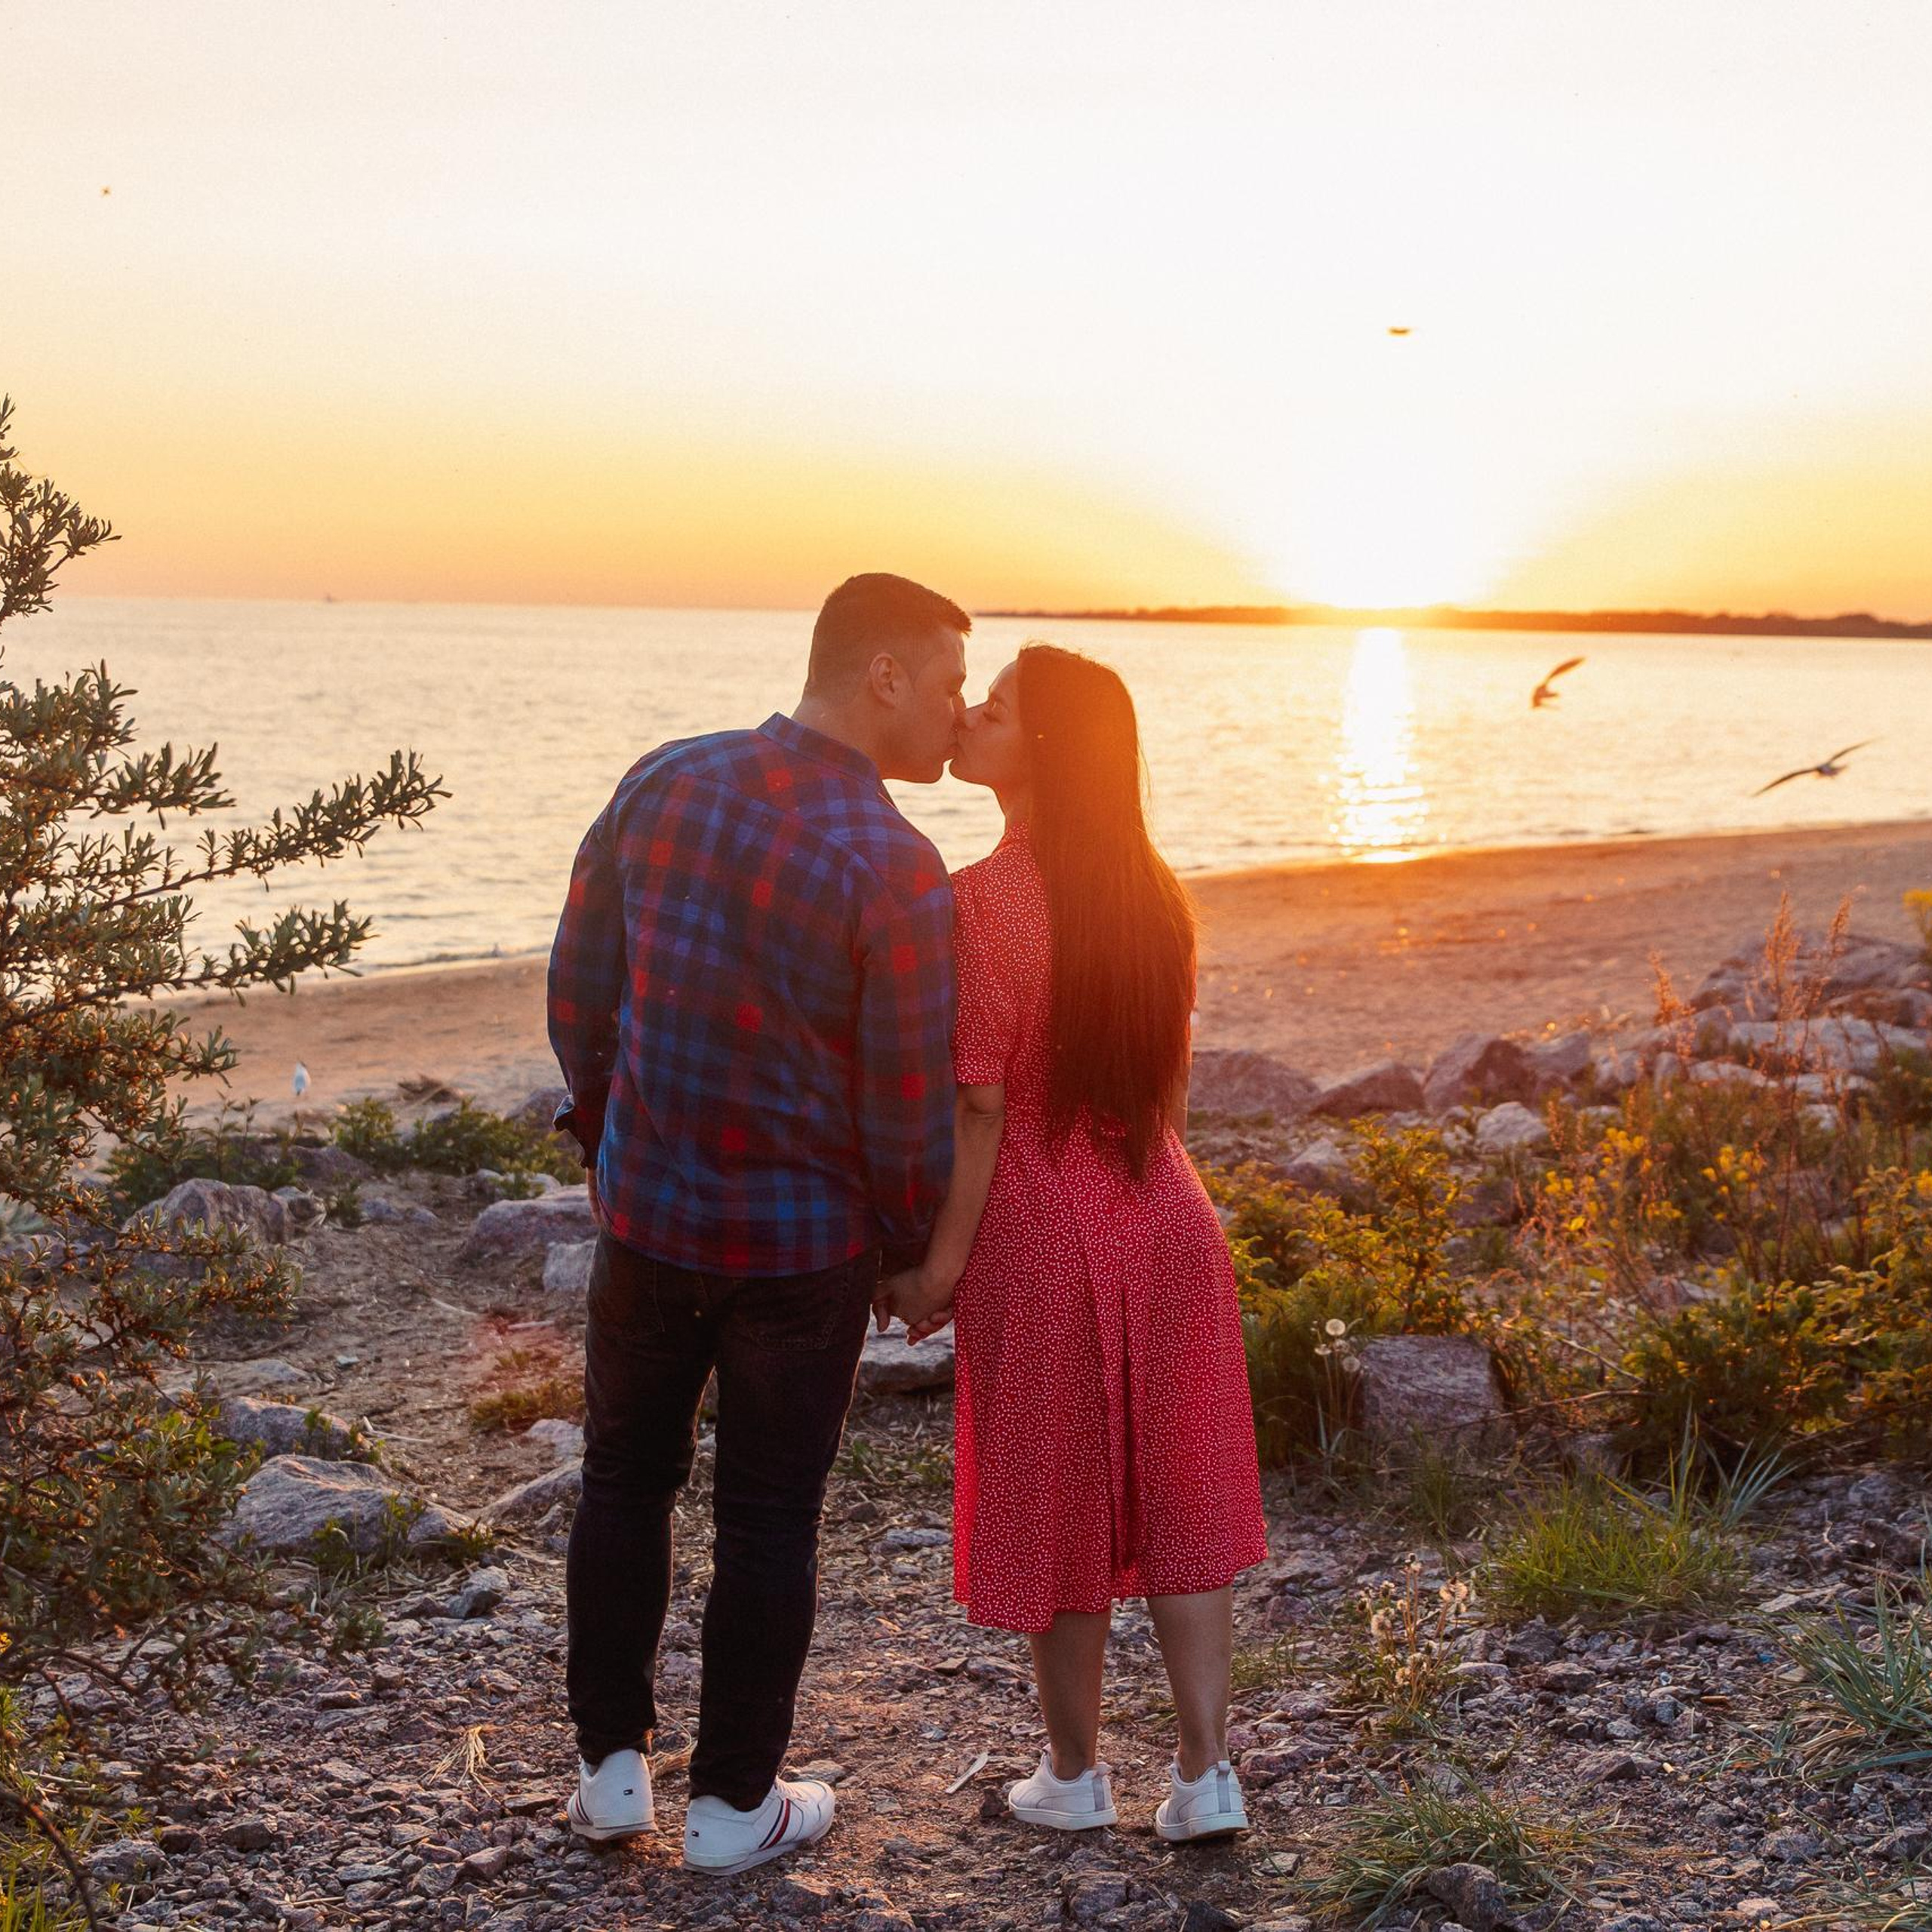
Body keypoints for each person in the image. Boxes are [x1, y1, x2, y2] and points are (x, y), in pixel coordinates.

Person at [548, 573, 968, 1874]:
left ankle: (612, 1775)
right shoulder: (896, 866)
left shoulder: (666, 777)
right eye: (951, 683)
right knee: (770, 1517)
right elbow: (905, 1104)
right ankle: (734, 1807)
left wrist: (614, 1133)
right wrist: (907, 1249)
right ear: (882, 676)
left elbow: (579, 986)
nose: (960, 714)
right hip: (799, 1254)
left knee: (623, 1478)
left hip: (654, 1218)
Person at [886, 642, 1269, 1841]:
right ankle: (1207, 1777)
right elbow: (1173, 1094)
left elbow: (983, 1103)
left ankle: (1075, 1774)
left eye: (992, 709)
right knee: (1178, 1483)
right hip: (1168, 1210)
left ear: (1042, 747)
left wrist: (936, 1268)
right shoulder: (1156, 896)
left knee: (1056, 1489)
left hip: (1042, 1224)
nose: (970, 720)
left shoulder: (982, 901)